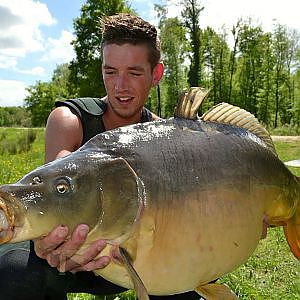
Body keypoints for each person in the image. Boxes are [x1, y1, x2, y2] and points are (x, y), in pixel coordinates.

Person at [0, 13, 201, 300]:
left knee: (190, 272)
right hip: (68, 260)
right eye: (110, 71)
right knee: (15, 272)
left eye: (133, 73)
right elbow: (61, 184)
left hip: (132, 256)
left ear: (156, 74)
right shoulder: (70, 119)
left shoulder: (163, 137)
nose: (120, 86)